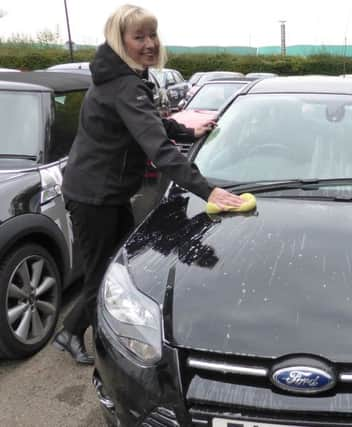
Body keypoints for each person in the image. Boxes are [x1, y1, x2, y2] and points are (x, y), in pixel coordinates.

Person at [52, 4, 243, 365]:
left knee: (113, 270)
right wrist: (208, 190)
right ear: (119, 40)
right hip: (94, 195)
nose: (149, 43)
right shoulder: (124, 84)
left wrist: (187, 129)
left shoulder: (126, 79)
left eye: (152, 34)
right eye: (138, 36)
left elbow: (148, 122)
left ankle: (71, 331)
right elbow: (158, 148)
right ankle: (97, 349)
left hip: (106, 191)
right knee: (102, 276)